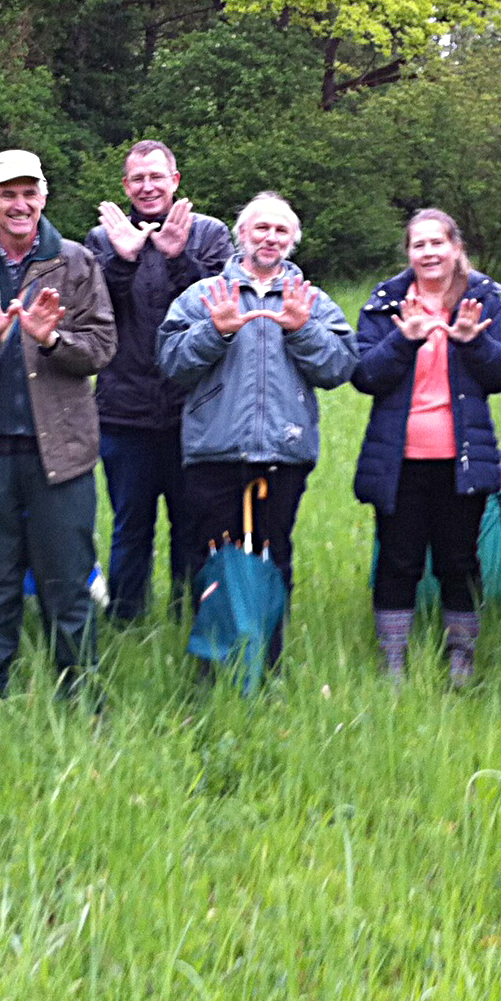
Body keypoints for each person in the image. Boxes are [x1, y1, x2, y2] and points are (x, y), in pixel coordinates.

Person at [0, 150, 116, 699]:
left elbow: (103, 346)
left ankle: (80, 694)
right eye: (6, 193)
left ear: (44, 197)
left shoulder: (77, 263)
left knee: (67, 583)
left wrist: (52, 340)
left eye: (28, 192)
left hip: (62, 452)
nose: (19, 203)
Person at [157, 192, 358, 671]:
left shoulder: (312, 300)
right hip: (215, 450)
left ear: (292, 241)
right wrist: (217, 331)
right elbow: (172, 364)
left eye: (281, 231)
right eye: (261, 228)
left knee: (274, 555)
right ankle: (213, 665)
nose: (270, 238)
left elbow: (340, 367)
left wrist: (301, 329)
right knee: (214, 557)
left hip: (284, 450)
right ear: (241, 234)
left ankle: (267, 662)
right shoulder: (203, 295)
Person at [352, 209, 501, 685]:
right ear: (408, 252)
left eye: (437, 243)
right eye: (418, 245)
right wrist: (402, 341)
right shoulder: (388, 300)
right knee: (397, 558)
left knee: (458, 558)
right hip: (399, 457)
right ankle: (392, 661)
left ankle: (461, 659)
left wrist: (474, 343)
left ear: (455, 247)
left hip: (462, 458)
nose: (428, 253)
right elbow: (363, 374)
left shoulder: (481, 297)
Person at [85, 140, 231, 623]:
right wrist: (124, 259)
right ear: (126, 186)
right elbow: (93, 310)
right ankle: (127, 623)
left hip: (194, 411)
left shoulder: (209, 234)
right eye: (137, 179)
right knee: (131, 528)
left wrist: (174, 257)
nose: (148, 187)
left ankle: (187, 620)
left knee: (193, 527)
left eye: (156, 177)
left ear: (175, 180)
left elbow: (219, 307)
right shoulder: (103, 239)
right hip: (123, 412)